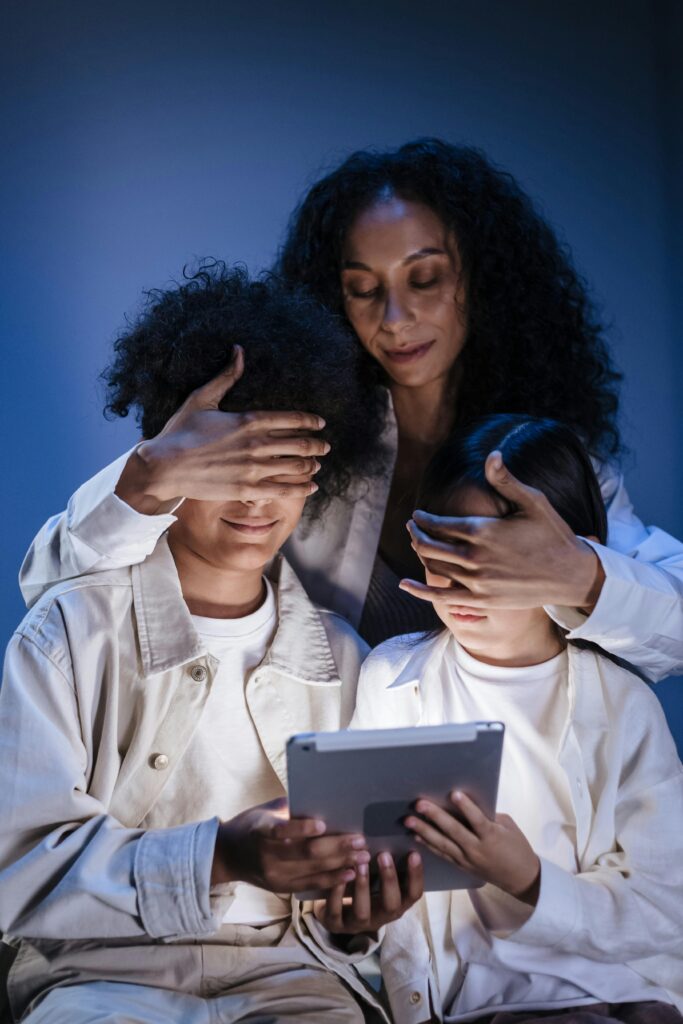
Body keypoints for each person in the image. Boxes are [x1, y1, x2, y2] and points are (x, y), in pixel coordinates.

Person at [18, 140, 683, 674]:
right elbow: (51, 585)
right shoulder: (291, 436)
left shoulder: (548, 463)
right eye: (363, 289)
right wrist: (150, 472)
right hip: (307, 808)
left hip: (512, 817)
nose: (395, 319)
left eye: (425, 279)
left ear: (483, 281)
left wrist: (579, 575)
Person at [0, 264, 422, 1024]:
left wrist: (353, 917)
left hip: (290, 977)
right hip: (99, 979)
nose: (258, 497)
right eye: (230, 466)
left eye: (286, 466)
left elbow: (339, 915)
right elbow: (15, 876)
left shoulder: (347, 662)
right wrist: (222, 854)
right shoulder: (70, 633)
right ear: (177, 461)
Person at [312, 415, 683, 1024]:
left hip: (608, 1000)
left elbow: (665, 907)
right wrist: (357, 921)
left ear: (562, 552)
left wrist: (530, 879)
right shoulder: (389, 678)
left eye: (490, 554)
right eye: (444, 547)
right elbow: (369, 877)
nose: (462, 579)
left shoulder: (622, 702)